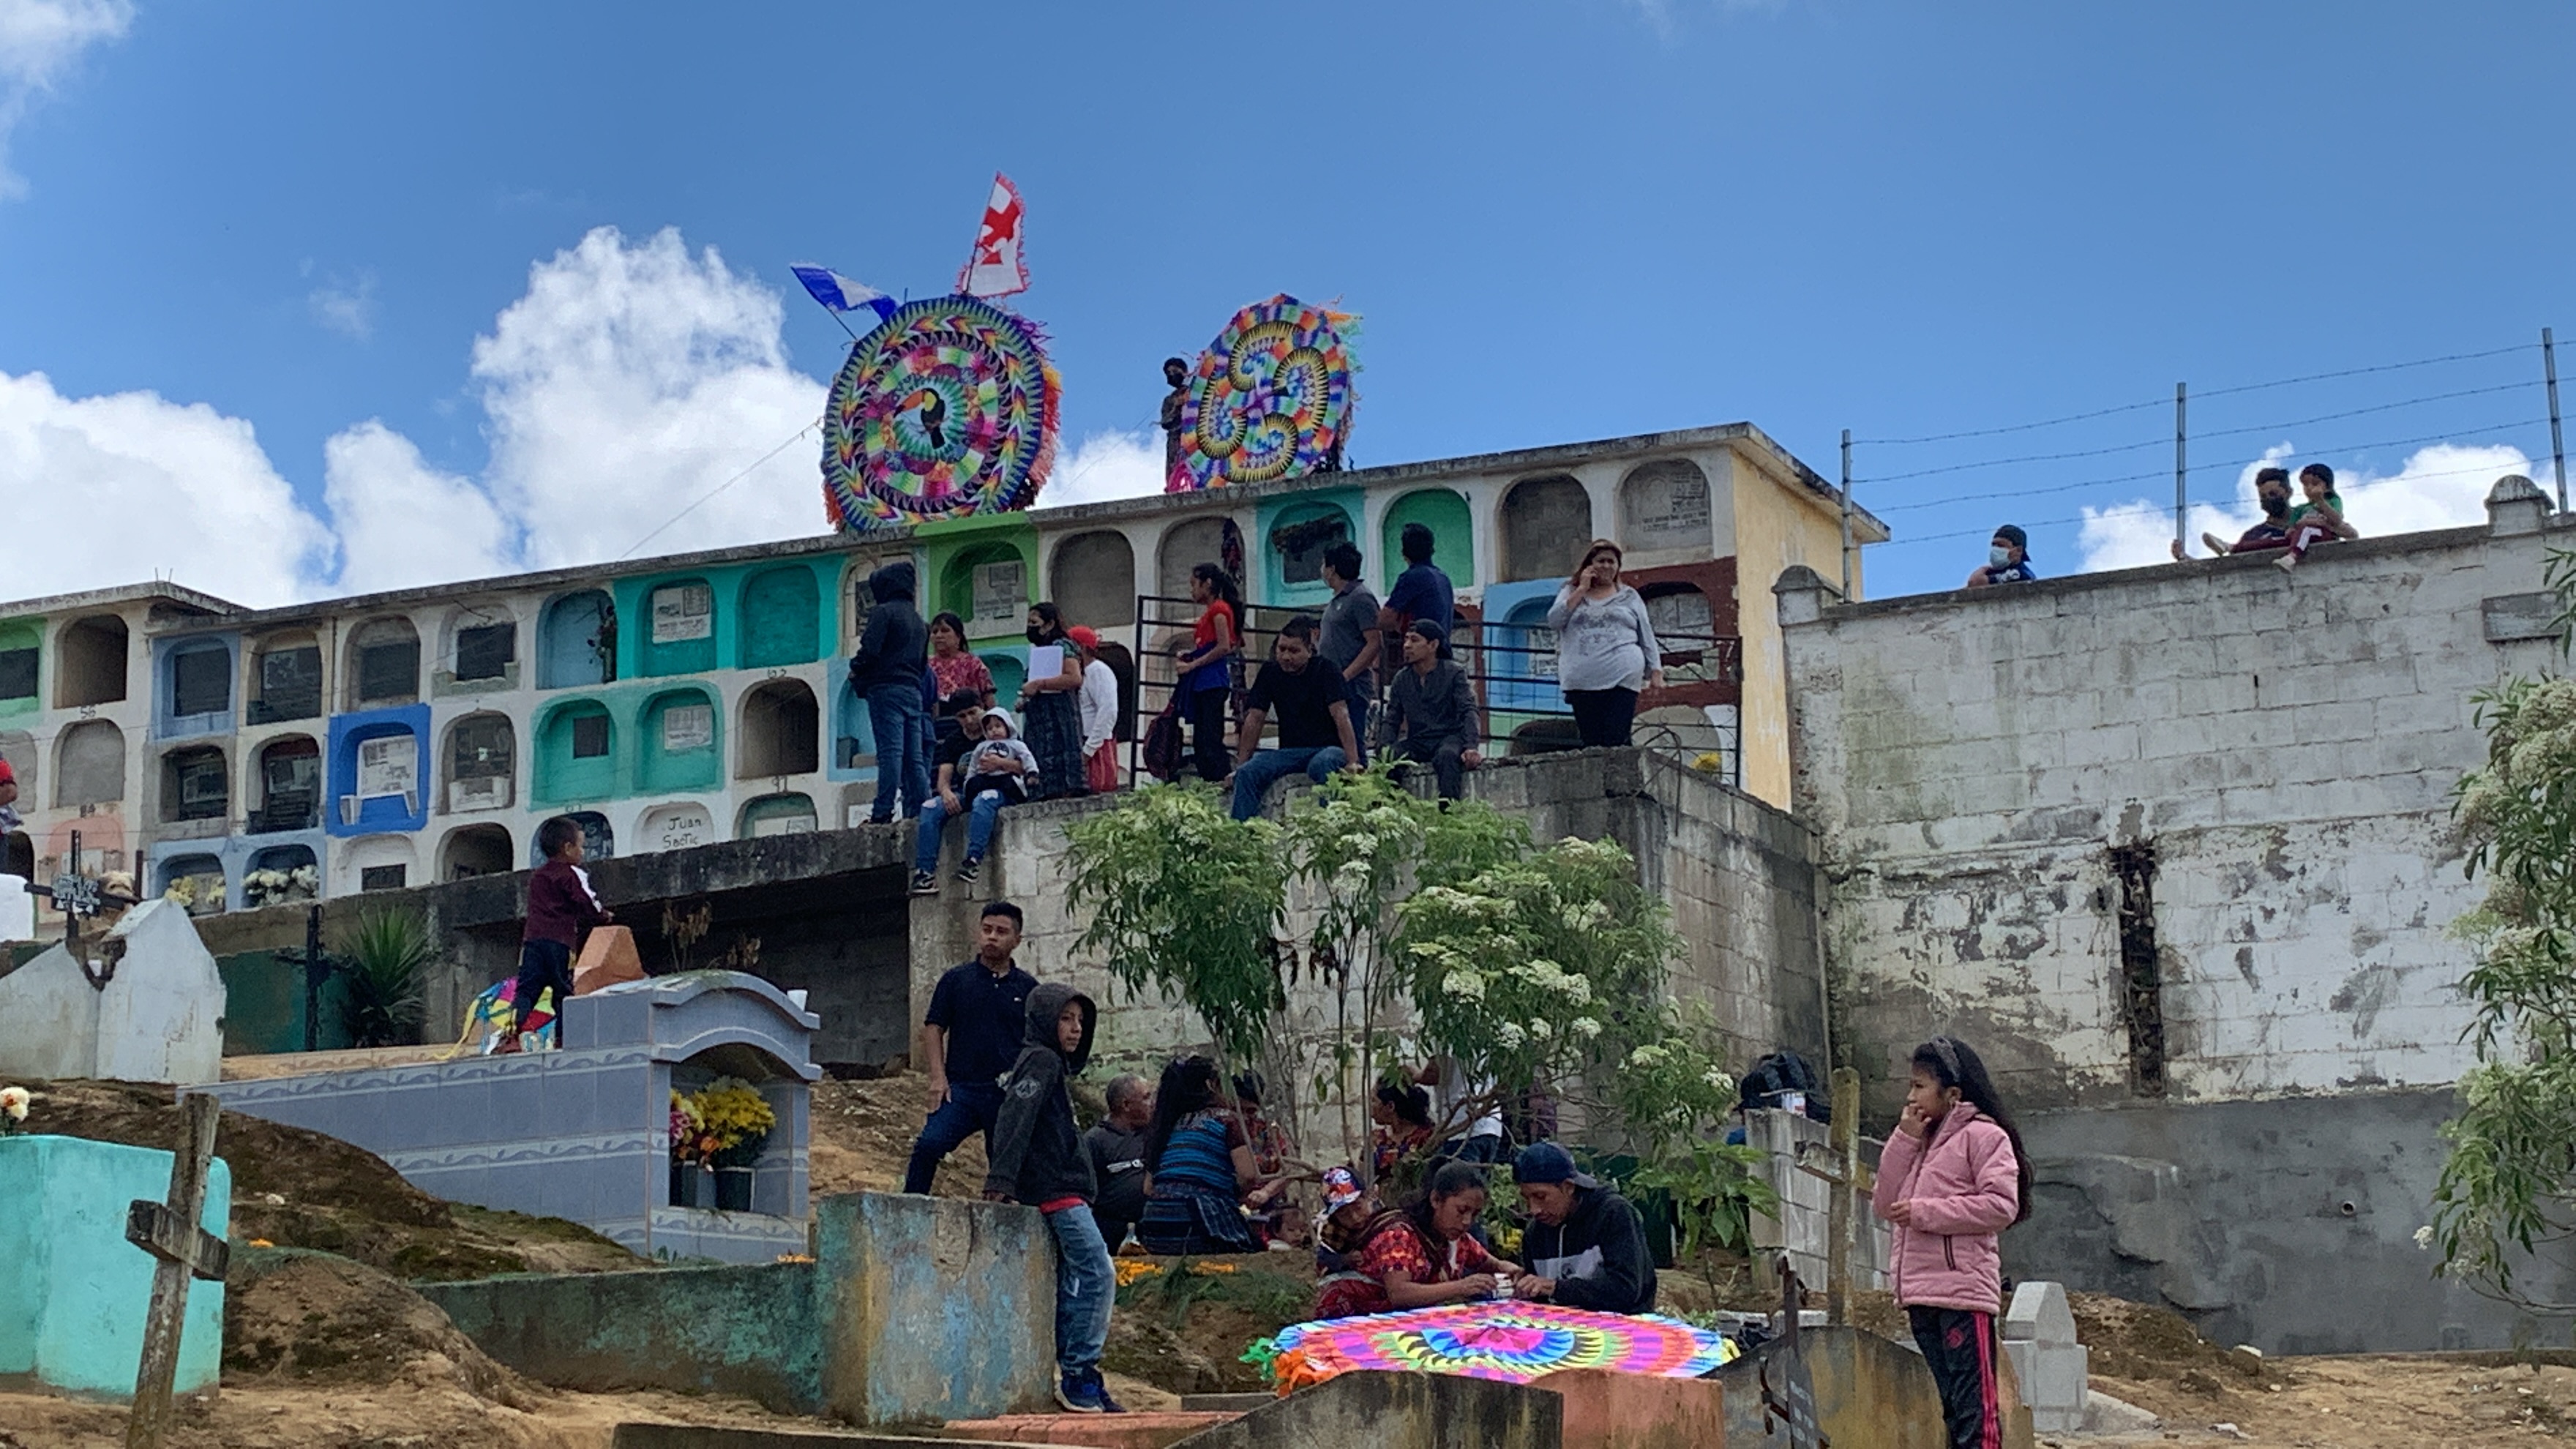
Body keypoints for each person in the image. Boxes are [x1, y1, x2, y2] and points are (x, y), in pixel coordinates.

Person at [1871, 1036, 2032, 1449]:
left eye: (1920, 1086)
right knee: (1950, 1408)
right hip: (1922, 1297)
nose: (1911, 1097)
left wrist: (1927, 1213)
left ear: (1953, 1093)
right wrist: (1903, 1139)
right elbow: (1884, 1203)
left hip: (1962, 1296)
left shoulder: (1983, 1136)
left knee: (1975, 1411)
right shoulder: (1917, 1141)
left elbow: (2001, 1206)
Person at [982, 981, 1123, 1415]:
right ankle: (1078, 1374)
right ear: (1045, 1020)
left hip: (1064, 1189)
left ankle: (1081, 1374)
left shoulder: (1050, 1067)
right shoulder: (1040, 1061)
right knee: (1098, 1274)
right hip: (1056, 1191)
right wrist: (1001, 1180)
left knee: (1075, 1281)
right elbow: (1014, 1118)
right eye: (1065, 1018)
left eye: (1080, 1020)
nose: (1076, 1029)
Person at [902, 902, 1037, 1195]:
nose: (992, 937)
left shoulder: (1029, 989)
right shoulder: (956, 980)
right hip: (961, 1088)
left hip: (1007, 1094)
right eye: (987, 929)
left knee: (1007, 1170)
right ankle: (910, 1206)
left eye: (1001, 932)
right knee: (929, 1144)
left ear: (1017, 940)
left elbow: (1037, 1044)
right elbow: (934, 1027)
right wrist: (938, 1078)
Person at [1338, 1160, 1524, 1316]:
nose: (1467, 1221)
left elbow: (1490, 1263)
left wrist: (1508, 1269)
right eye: (1462, 1210)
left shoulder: (1457, 1238)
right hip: (1351, 1322)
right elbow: (1400, 1293)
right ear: (1435, 1200)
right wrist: (1462, 1287)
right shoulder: (1398, 1236)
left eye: (1475, 1214)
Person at [1227, 616, 1362, 820]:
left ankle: (1330, 827)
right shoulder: (1270, 672)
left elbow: (1341, 715)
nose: (1286, 656)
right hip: (1289, 751)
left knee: (1322, 764)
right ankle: (1241, 836)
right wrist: (1240, 766)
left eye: (1294, 651)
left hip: (1328, 749)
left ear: (1310, 650)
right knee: (1248, 773)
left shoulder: (1327, 670)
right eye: (1282, 649)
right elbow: (1255, 719)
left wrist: (1353, 761)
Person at [501, 815, 613, 1053]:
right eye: (581, 846)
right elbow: (586, 902)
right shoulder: (572, 874)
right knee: (563, 992)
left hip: (532, 942)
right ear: (568, 848)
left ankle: (511, 1037)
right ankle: (564, 1037)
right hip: (560, 944)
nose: (583, 852)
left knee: (526, 991)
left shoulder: (538, 876)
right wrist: (603, 916)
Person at [1510, 1142, 1657, 1314]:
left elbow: (1627, 1289)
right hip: (1560, 1331)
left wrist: (1556, 1288)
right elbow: (1539, 1300)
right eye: (1526, 1199)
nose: (1534, 1209)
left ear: (1568, 1187)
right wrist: (1525, 1286)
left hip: (1622, 1328)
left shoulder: (1613, 1213)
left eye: (1541, 1197)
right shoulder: (1535, 1233)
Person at [1547, 539, 1667, 749]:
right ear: (1589, 565)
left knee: (1617, 737)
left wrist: (1655, 670)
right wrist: (1582, 589)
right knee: (1592, 741)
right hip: (1582, 678)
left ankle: (1620, 778)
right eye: (1601, 561)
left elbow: (1646, 633)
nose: (1606, 566)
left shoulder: (1629, 596)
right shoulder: (1570, 591)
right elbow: (1555, 621)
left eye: (1612, 562)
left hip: (1622, 674)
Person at [1136, 1055, 1262, 1254]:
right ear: (1211, 1086)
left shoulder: (1167, 1127)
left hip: (1155, 1223)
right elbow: (1249, 1175)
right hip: (1197, 1218)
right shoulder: (1227, 1121)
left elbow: (1148, 1188)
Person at [911, 703, 1035, 894]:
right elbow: (944, 778)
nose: (969, 720)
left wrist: (1000, 763)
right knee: (929, 807)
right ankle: (924, 873)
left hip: (1001, 789)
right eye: (962, 715)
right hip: (968, 789)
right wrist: (946, 794)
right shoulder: (954, 741)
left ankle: (973, 860)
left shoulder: (1010, 738)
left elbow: (1027, 767)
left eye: (972, 713)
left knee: (984, 800)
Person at [853, 561, 931, 821]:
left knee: (890, 753)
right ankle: (923, 808)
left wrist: (856, 668)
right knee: (914, 758)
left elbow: (871, 650)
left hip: (885, 690)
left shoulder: (882, 613)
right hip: (912, 691)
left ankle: (883, 811)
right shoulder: (920, 622)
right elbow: (922, 665)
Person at [1384, 621, 1483, 800]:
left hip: (1448, 738)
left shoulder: (1454, 673)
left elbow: (1468, 710)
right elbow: (1392, 719)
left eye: (1415, 640)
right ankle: (1389, 810)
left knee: (1447, 757)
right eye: (1406, 640)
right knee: (1391, 757)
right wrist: (1383, 749)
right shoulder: (1402, 679)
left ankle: (1448, 815)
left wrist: (1471, 746)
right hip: (1418, 740)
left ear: (1433, 645)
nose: (1407, 646)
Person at [1172, 564, 1243, 783]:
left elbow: (1223, 647)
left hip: (1212, 681)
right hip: (1205, 681)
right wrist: (1192, 655)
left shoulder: (1219, 611)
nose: (1192, 590)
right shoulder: (1212, 612)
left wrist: (1193, 665)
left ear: (1207, 584)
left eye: (1194, 585)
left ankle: (1220, 779)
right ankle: (1211, 780)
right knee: (1202, 739)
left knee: (1210, 738)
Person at [1316, 542, 1383, 757]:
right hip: (1334, 682)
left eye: (1324, 565)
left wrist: (1345, 676)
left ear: (1332, 569)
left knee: (1354, 742)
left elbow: (1374, 642)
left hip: (1352, 685)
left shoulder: (1361, 598)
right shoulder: (1338, 599)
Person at [1017, 603, 1089, 801]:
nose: (1030, 627)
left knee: (1063, 764)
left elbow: (1074, 678)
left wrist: (1039, 684)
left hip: (1059, 715)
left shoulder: (1062, 646)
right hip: (1039, 719)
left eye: (1034, 622)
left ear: (1049, 624)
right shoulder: (1038, 651)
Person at [1083, 1074, 1154, 1254]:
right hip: (1110, 1230)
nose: (1152, 1103)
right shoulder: (1095, 1141)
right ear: (1126, 1105)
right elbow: (1086, 1190)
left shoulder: (1153, 1134)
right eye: (1146, 1098)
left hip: (1150, 1226)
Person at [2171, 467, 2296, 560]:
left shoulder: (2307, 519)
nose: (2268, 499)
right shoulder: (2253, 536)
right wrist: (2185, 558)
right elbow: (2226, 570)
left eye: (2273, 494)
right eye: (2263, 496)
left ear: (2289, 492)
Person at [1311, 1166, 1385, 1319]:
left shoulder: (1384, 1218)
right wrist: (1345, 1260)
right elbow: (1324, 1259)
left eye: (1358, 1208)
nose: (1355, 1218)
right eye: (1344, 1214)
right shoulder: (1333, 1232)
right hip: (1352, 1281)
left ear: (1368, 1197)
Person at [1379, 522, 1456, 659]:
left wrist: (1399, 624)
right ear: (1431, 549)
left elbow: (1385, 619)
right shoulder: (1443, 577)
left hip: (1423, 655)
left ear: (1404, 552)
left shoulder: (1412, 577)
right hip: (1443, 651)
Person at [2277, 463, 2359, 573]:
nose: (2310, 488)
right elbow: (2291, 529)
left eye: (2315, 484)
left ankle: (2292, 557)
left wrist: (2320, 501)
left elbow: (2336, 521)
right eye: (2306, 485)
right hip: (2301, 536)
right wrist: (2294, 528)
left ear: (2327, 486)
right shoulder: (2300, 509)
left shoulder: (2332, 501)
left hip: (2324, 534)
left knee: (2307, 530)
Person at [1068, 626, 1121, 795]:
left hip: (1095, 745)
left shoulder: (1099, 672)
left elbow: (1108, 712)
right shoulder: (1083, 674)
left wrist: (1089, 750)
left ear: (1081, 648)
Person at [927, 612, 996, 719]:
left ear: (958, 637)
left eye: (945, 631)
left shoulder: (973, 663)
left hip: (969, 724)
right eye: (935, 632)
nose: (939, 636)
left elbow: (989, 699)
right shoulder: (926, 665)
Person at [1371, 1082, 1438, 1186]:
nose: (1371, 1107)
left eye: (1373, 1101)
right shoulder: (1378, 1138)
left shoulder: (1426, 1137)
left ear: (1390, 1106)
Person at [1963, 525, 2037, 589]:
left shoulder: (2020, 574)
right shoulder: (1993, 572)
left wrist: (1983, 569)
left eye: (2001, 546)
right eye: (1994, 545)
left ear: (2018, 551)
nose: (1995, 549)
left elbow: (1975, 582)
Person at [1158, 356, 1192, 480]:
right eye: (1169, 373)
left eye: (1174, 371)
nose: (1172, 375)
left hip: (1194, 435)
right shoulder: (1169, 400)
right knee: (1175, 472)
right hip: (1176, 440)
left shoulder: (1197, 390)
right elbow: (1165, 422)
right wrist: (1176, 407)